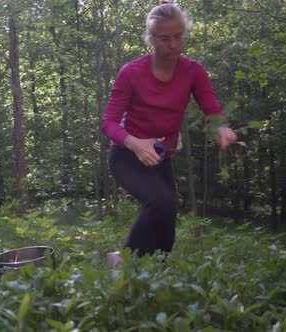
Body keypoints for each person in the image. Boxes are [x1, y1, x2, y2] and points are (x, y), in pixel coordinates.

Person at [101, 3, 237, 260]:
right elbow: (108, 123)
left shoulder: (192, 71)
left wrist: (221, 126)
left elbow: (210, 106)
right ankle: (122, 262)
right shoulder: (131, 73)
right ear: (151, 39)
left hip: (161, 156)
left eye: (178, 36)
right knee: (160, 203)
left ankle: (157, 274)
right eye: (165, 39)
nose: (173, 45)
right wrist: (135, 143)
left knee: (166, 220)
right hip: (127, 156)